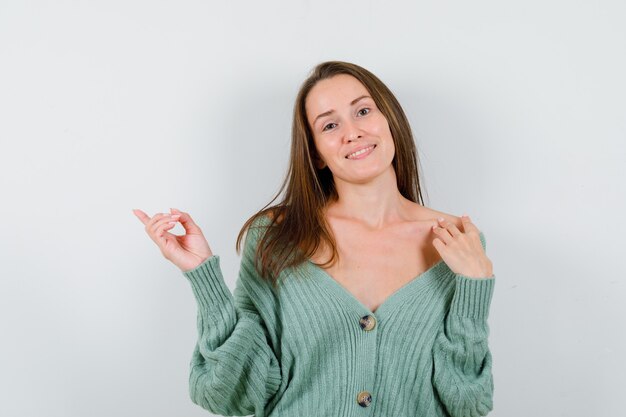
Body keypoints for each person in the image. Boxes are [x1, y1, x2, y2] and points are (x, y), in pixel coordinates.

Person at [133, 61, 496, 417]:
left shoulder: (456, 242)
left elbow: (467, 404)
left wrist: (475, 288)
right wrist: (203, 277)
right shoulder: (276, 237)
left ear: (391, 121)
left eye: (364, 111)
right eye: (330, 125)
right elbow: (234, 394)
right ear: (316, 154)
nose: (351, 132)